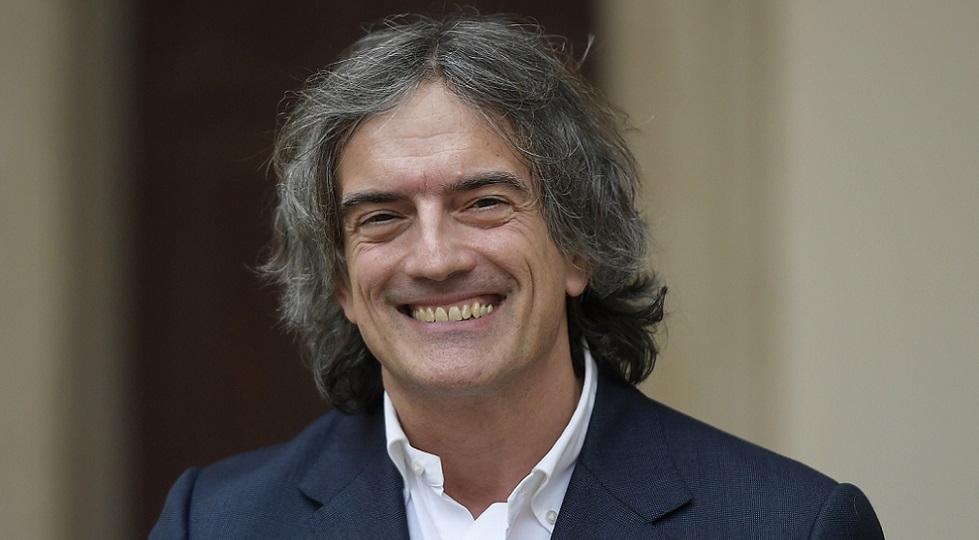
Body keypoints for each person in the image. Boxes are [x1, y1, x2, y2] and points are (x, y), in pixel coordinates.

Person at [151, 13, 884, 539]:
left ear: (578, 246)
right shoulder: (214, 523)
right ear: (341, 281)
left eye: (484, 203)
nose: (435, 258)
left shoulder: (789, 524)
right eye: (382, 217)